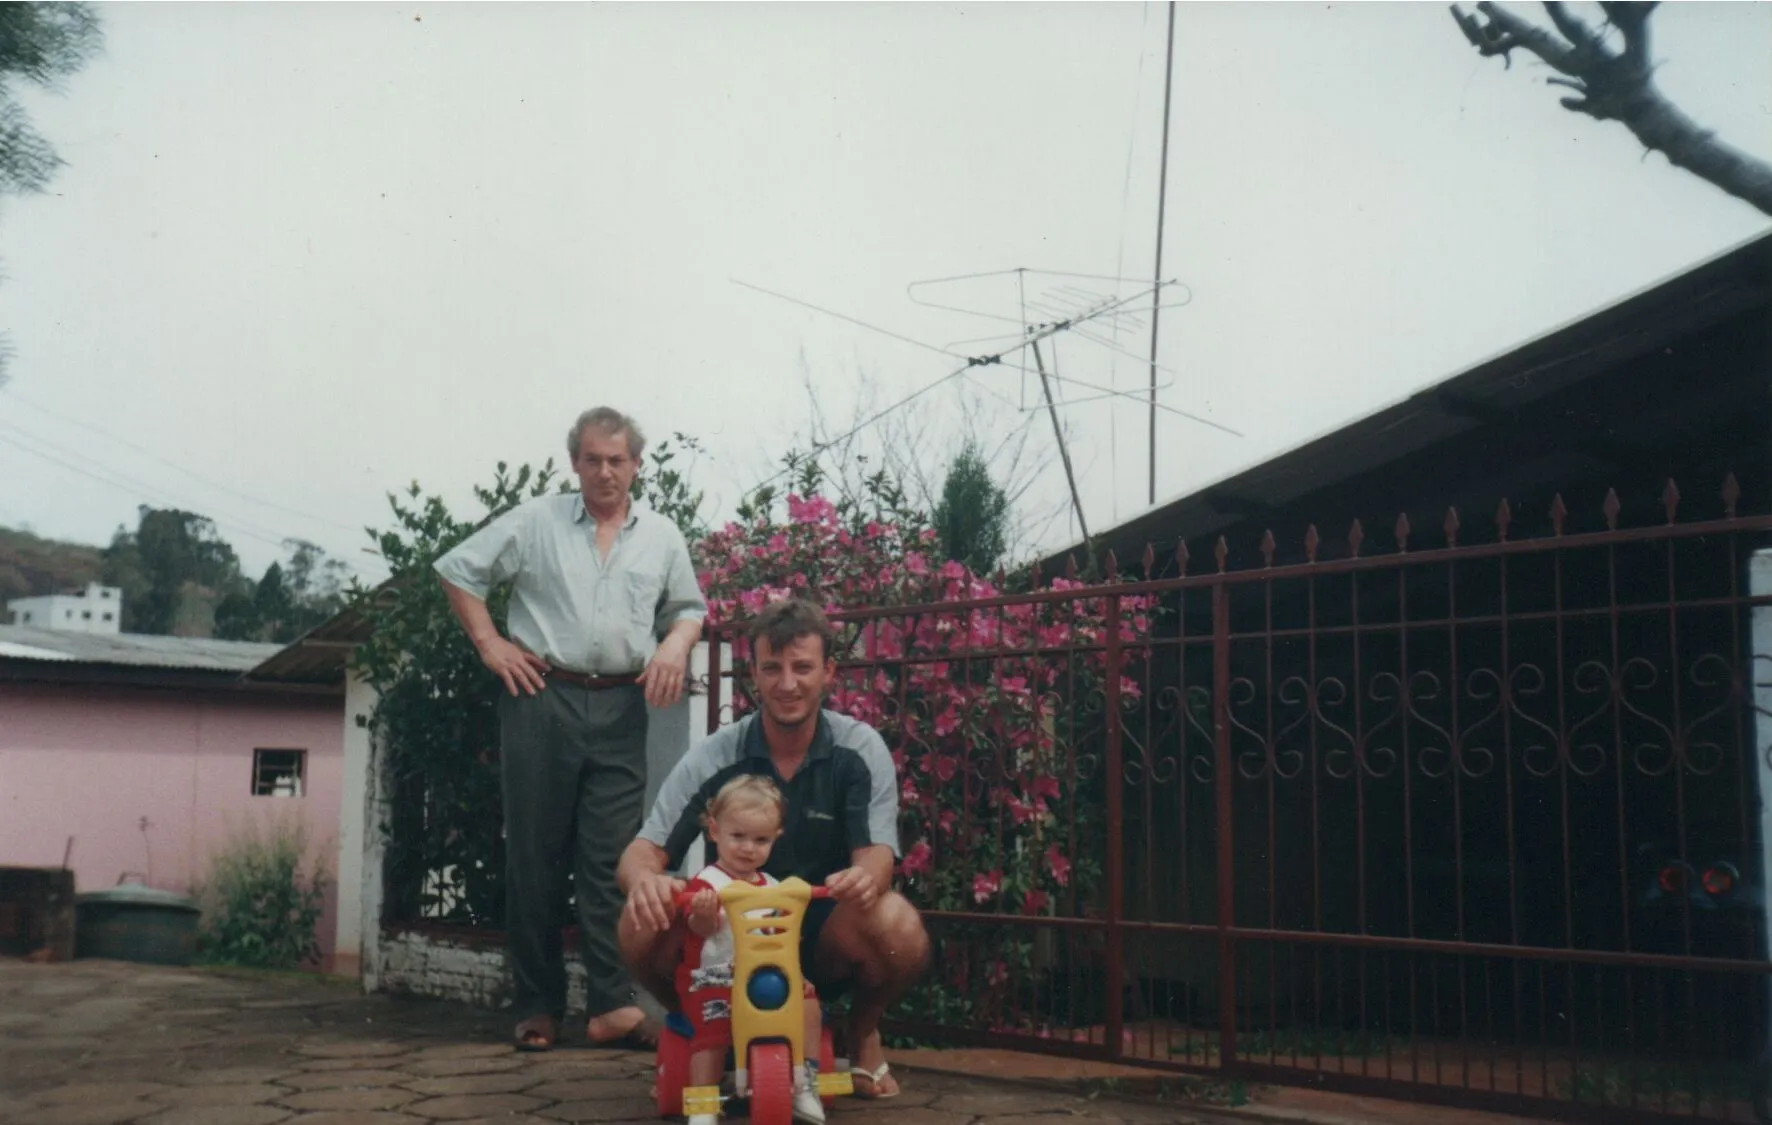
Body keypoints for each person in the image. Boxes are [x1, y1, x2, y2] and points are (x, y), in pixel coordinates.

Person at [434, 406, 706, 1052]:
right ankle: (536, 1004)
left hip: (621, 704)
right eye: (592, 458)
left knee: (613, 859)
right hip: (541, 697)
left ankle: (612, 1005)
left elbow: (690, 608)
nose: (605, 471)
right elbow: (457, 570)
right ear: (576, 462)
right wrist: (491, 644)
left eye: (617, 459)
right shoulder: (536, 521)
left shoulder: (663, 536)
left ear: (637, 464)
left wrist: (674, 646)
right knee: (534, 854)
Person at [618, 597, 930, 1099]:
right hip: (723, 942)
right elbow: (642, 852)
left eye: (802, 667)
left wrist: (867, 877)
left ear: (828, 671)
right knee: (638, 918)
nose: (788, 684)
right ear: (754, 675)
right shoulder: (716, 753)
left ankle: (863, 1031)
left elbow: (876, 855)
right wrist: (644, 881)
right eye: (772, 668)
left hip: (821, 934)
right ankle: (693, 1025)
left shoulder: (859, 748)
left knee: (899, 925)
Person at [676, 774, 825, 1125]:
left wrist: (798, 974)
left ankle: (805, 1082)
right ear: (714, 831)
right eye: (737, 836)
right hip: (715, 977)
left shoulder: (774, 887)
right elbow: (700, 931)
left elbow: (784, 939)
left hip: (768, 975)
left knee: (808, 1008)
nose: (748, 848)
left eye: (760, 840)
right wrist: (703, 912)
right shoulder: (707, 883)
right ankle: (704, 1103)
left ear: (776, 838)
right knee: (712, 1030)